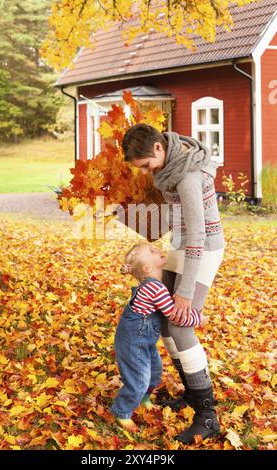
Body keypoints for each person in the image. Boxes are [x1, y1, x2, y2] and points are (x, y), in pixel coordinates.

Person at [122, 123, 225, 443]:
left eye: (144, 165)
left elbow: (198, 235)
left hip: (202, 249)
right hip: (181, 245)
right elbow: (175, 221)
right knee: (165, 323)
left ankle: (207, 416)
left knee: (180, 324)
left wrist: (183, 292)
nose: (144, 172)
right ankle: (192, 395)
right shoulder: (168, 168)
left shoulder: (190, 176)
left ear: (157, 149)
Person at [111, 241, 205, 433]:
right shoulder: (155, 288)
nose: (158, 249)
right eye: (152, 251)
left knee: (154, 372)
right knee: (138, 379)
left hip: (143, 340)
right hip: (132, 342)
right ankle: (122, 411)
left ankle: (144, 398)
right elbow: (174, 315)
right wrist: (198, 318)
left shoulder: (155, 285)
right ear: (147, 268)